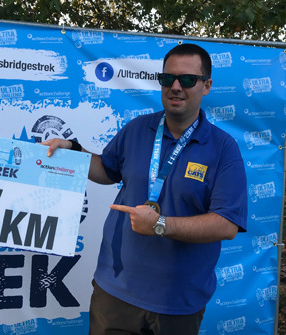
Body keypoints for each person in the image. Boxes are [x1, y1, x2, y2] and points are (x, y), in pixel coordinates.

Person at [43, 43, 247, 335]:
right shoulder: (138, 128)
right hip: (114, 292)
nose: (176, 87)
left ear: (206, 86)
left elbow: (226, 224)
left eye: (187, 80)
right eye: (168, 79)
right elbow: (106, 170)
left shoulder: (224, 148)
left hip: (178, 304)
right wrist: (72, 152)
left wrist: (160, 225)